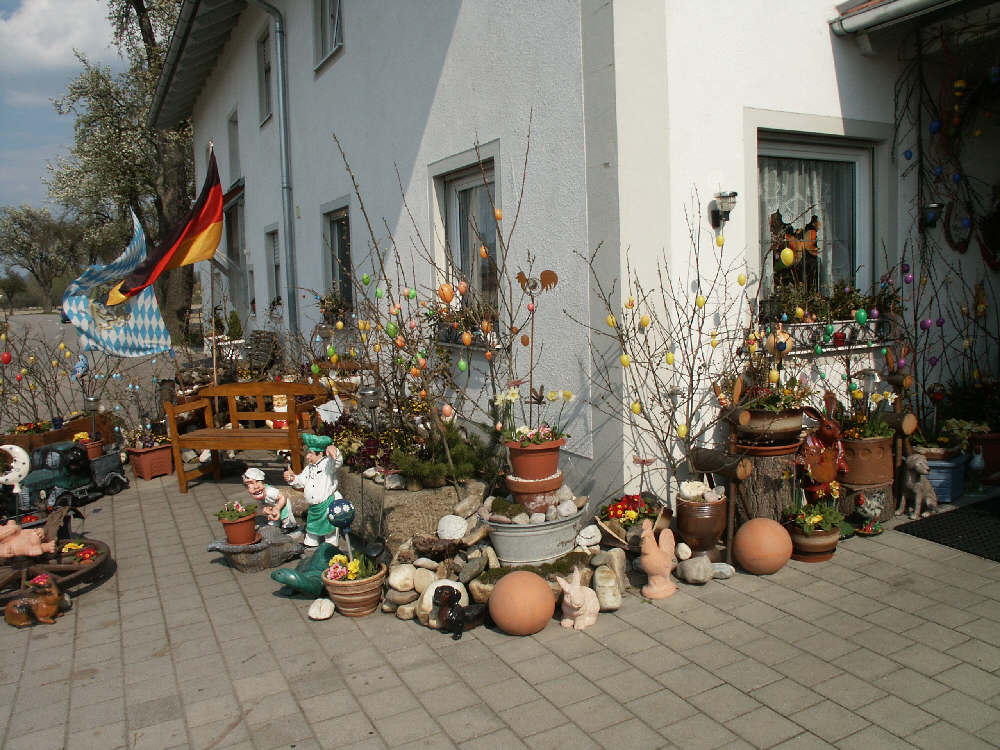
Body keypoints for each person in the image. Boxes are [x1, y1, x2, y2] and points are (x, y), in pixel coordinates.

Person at [284, 433, 344, 547]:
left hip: (326, 504)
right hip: (313, 508)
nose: (307, 457)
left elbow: (338, 462)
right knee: (312, 527)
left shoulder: (328, 464)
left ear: (320, 454)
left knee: (329, 529)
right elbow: (301, 481)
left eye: (310, 454)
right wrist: (292, 478)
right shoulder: (308, 468)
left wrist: (334, 450)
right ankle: (311, 542)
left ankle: (330, 545)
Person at [242, 467, 297, 533]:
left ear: (263, 482)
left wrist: (277, 507)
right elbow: (264, 503)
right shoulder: (258, 494)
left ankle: (290, 526)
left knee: (285, 516)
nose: (256, 487)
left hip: (282, 503)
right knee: (273, 516)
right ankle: (276, 523)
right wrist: (266, 508)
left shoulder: (270, 492)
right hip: (272, 504)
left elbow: (283, 497)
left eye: (258, 482)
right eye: (250, 484)